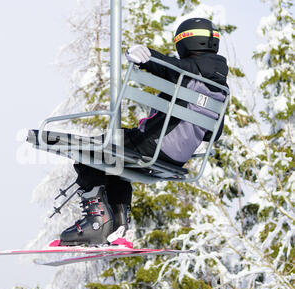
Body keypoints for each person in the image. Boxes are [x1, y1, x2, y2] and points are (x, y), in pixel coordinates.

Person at [58, 18, 229, 247]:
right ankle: (118, 228)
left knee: (89, 151)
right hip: (176, 156)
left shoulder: (191, 72)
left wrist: (148, 56)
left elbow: (171, 67)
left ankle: (96, 223)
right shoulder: (219, 87)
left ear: (184, 43)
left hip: (153, 144)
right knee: (114, 165)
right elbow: (212, 134)